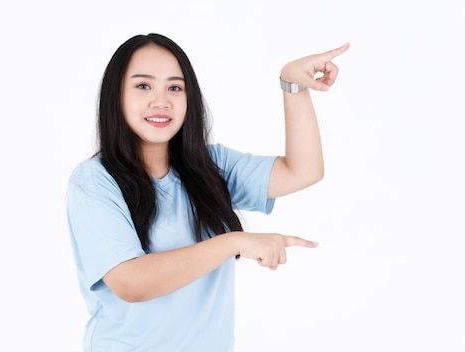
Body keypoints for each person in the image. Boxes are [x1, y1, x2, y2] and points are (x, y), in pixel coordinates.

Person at [65, 32, 349, 351]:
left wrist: (292, 85)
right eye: (143, 86)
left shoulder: (211, 165)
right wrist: (234, 242)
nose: (161, 101)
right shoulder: (94, 181)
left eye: (175, 87)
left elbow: (303, 170)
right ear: (116, 96)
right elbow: (131, 283)